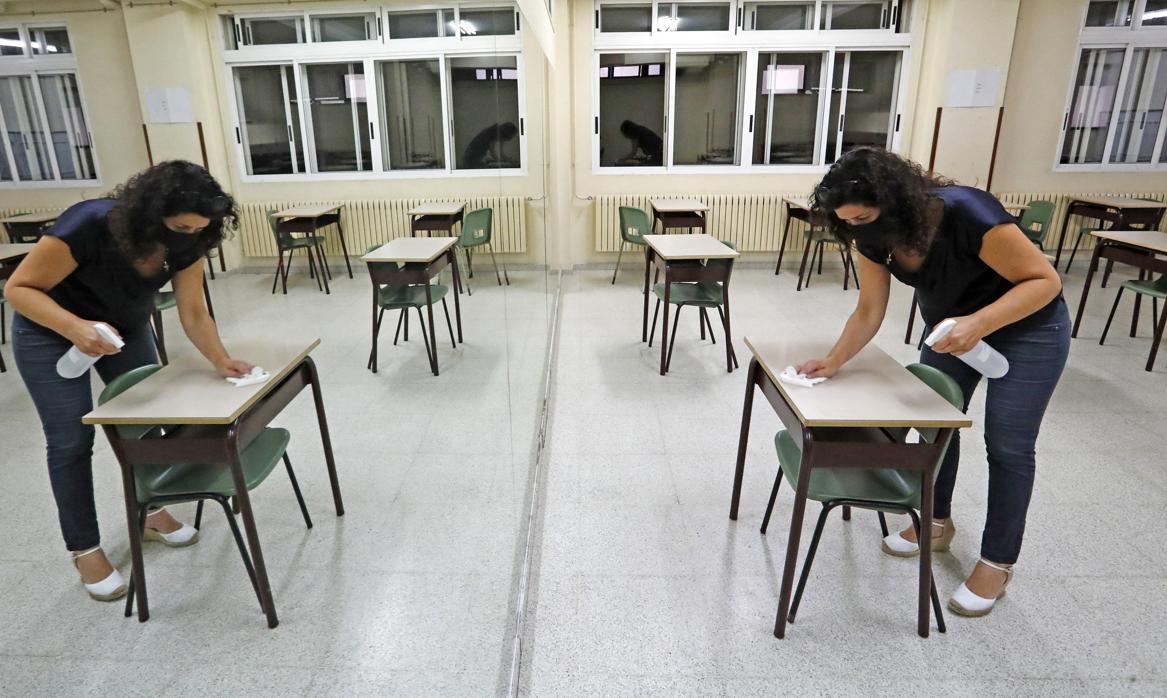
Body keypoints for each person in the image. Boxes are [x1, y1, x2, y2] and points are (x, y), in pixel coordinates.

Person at [799, 147, 1068, 617]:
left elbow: (1044, 281)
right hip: (951, 330)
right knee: (932, 424)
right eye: (849, 222)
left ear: (895, 199)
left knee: (1008, 445)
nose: (859, 229)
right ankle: (936, 524)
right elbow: (868, 309)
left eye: (863, 217)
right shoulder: (873, 235)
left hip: (1028, 329)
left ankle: (997, 562)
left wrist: (979, 324)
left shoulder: (969, 212)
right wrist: (834, 359)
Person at [6, 160, 254, 602]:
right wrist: (74, 327)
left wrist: (221, 360)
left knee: (144, 422)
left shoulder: (189, 239)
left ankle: (152, 508)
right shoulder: (90, 223)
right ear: (151, 212)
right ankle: (84, 547)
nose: (189, 235)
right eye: (180, 225)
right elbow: (20, 288)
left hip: (125, 328)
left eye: (199, 229)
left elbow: (194, 310)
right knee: (70, 442)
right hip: (49, 332)